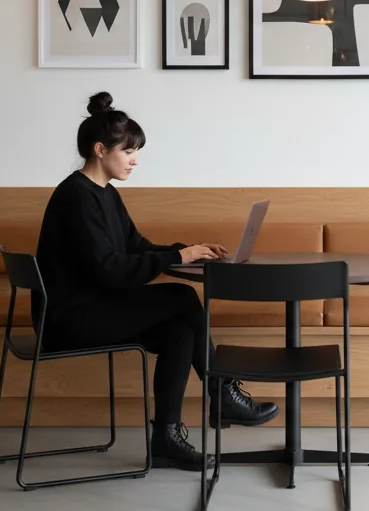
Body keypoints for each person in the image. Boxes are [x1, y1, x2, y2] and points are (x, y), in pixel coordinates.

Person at [33, 92, 279, 470]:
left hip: (92, 308)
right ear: (100, 149)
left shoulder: (103, 194)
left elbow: (136, 246)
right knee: (181, 298)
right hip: (68, 320)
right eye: (129, 151)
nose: (135, 160)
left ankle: (167, 439)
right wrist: (177, 258)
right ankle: (222, 393)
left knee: (180, 331)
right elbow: (111, 269)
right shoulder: (76, 198)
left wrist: (188, 250)